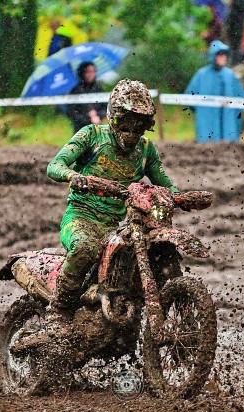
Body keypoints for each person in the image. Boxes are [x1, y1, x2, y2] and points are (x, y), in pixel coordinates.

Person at [46, 79, 179, 325]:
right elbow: (54, 165)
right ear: (114, 117)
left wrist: (176, 196)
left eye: (138, 125)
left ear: (146, 125)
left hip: (116, 225)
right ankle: (58, 312)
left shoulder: (146, 150)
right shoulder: (92, 135)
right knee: (85, 248)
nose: (131, 132)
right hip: (81, 216)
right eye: (125, 123)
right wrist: (74, 176)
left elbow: (166, 182)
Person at [184, 40, 244, 144]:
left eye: (224, 55)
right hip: (208, 126)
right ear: (213, 56)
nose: (223, 57)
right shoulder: (201, 75)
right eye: (219, 55)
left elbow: (241, 99)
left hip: (228, 125)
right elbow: (189, 97)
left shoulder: (230, 75)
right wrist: (203, 112)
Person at [66, 62, 107, 132]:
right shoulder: (75, 91)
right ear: (82, 73)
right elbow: (71, 112)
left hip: (98, 129)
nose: (91, 74)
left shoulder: (98, 89)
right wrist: (89, 117)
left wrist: (97, 115)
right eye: (88, 72)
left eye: (93, 71)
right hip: (80, 130)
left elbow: (106, 108)